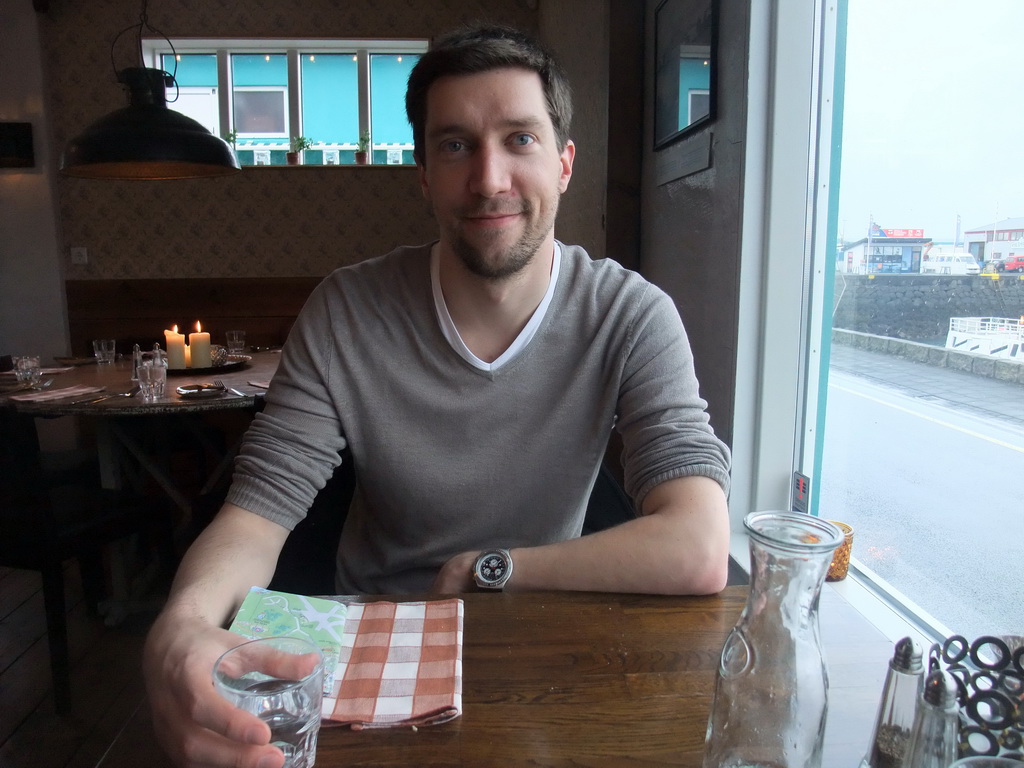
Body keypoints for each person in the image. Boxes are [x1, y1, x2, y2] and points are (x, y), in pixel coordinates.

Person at [143, 23, 731, 768]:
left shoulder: (632, 314)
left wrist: (493, 566)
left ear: (564, 164)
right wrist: (181, 622)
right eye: (456, 145)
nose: (489, 179)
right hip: (372, 652)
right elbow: (257, 514)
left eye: (520, 139)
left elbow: (701, 545)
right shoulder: (347, 308)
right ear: (423, 173)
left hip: (546, 640)